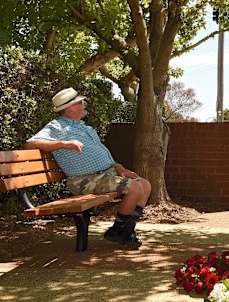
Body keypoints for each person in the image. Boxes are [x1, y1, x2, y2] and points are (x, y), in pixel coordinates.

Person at [25, 88, 151, 249]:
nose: (85, 103)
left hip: (104, 174)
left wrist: (119, 168)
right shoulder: (56, 126)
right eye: (80, 102)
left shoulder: (85, 127)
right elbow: (31, 144)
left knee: (145, 185)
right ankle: (120, 231)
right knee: (134, 188)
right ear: (70, 109)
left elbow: (102, 153)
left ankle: (124, 230)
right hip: (82, 180)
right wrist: (64, 144)